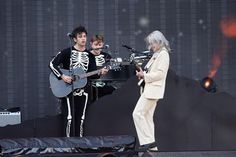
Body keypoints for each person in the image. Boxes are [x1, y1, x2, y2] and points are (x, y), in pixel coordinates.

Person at [49, 26, 108, 137]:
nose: (83, 39)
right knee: (69, 117)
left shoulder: (90, 56)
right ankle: (67, 144)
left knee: (82, 118)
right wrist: (62, 76)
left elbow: (92, 75)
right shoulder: (67, 52)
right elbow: (52, 64)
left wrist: (100, 73)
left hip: (84, 91)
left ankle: (80, 144)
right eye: (80, 36)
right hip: (67, 89)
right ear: (75, 39)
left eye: (85, 36)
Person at [132, 30, 170, 151]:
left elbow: (160, 74)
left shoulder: (163, 54)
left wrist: (145, 76)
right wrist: (142, 74)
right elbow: (151, 71)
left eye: (152, 43)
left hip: (153, 90)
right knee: (147, 117)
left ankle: (147, 142)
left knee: (137, 114)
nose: (151, 46)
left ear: (159, 41)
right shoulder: (157, 54)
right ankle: (152, 147)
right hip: (149, 89)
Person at [90, 34, 116, 101]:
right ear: (91, 44)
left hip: (103, 84)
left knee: (114, 91)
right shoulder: (87, 55)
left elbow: (111, 73)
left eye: (100, 45)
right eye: (96, 45)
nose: (98, 47)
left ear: (103, 44)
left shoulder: (107, 56)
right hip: (89, 85)